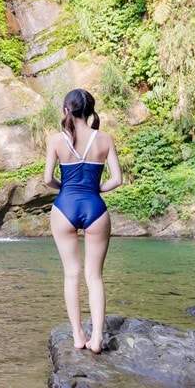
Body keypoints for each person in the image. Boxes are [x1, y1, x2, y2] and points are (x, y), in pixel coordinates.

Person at [44, 88, 123, 353]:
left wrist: (65, 188)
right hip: (95, 208)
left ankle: (78, 335)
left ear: (67, 110)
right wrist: (94, 189)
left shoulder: (56, 140)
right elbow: (117, 180)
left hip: (64, 207)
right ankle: (97, 338)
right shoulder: (105, 139)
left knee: (71, 275)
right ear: (90, 110)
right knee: (95, 277)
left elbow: (47, 179)